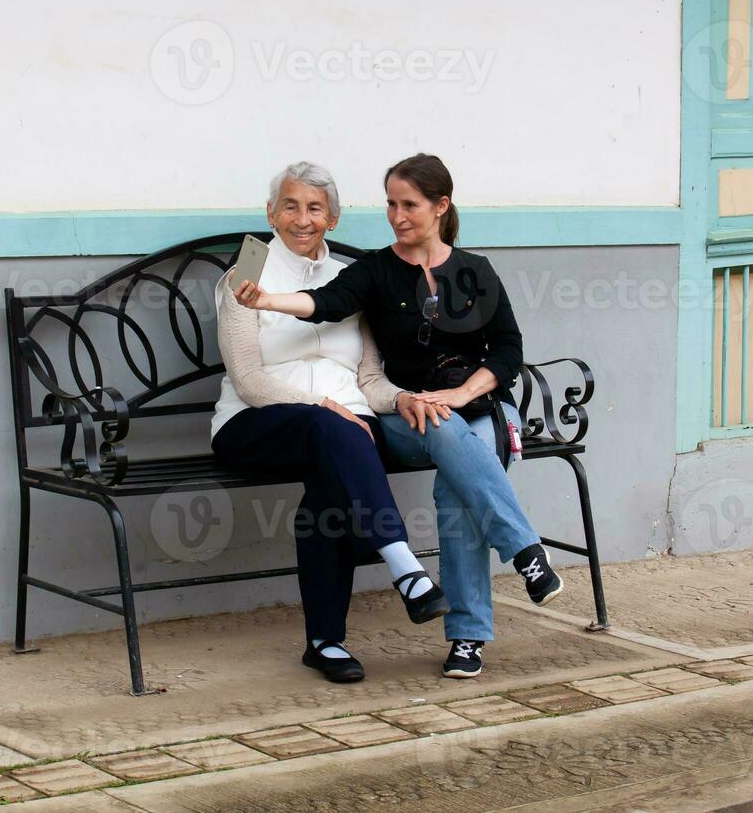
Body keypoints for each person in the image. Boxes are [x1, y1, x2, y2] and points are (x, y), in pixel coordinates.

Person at [235, 153, 563, 680]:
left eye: (409, 204)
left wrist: (459, 395)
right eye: (391, 203)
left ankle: (466, 640)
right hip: (404, 416)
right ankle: (524, 551)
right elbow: (325, 302)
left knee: (457, 478)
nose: (397, 215)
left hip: (472, 409)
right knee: (442, 431)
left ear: (440, 207)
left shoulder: (475, 271)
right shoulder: (374, 271)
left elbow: (506, 350)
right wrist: (267, 299)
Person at [211, 162, 452, 683]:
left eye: (315, 208)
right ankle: (404, 565)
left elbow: (368, 378)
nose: (303, 219)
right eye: (291, 206)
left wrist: (406, 397)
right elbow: (249, 381)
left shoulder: (351, 279)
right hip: (256, 424)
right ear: (271, 214)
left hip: (346, 431)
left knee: (331, 477)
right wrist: (322, 407)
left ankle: (325, 642)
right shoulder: (244, 278)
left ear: (334, 219)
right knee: (334, 433)